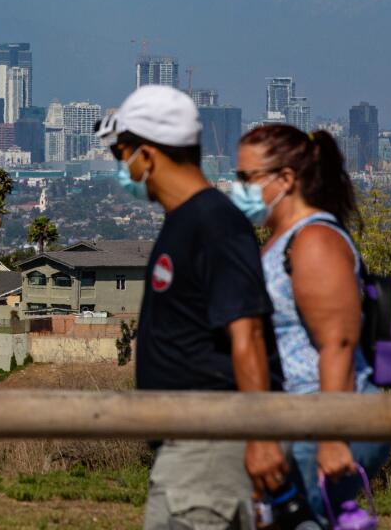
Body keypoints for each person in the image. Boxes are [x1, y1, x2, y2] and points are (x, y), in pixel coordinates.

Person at [97, 86, 288, 530]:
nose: (121, 167)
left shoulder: (214, 223)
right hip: (183, 452)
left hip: (209, 451)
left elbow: (249, 334)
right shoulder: (184, 222)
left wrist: (261, 438)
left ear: (147, 154)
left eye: (120, 153)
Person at [233, 124, 391, 523]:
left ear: (286, 179)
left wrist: (331, 435)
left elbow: (336, 342)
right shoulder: (280, 240)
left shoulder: (314, 241)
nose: (239, 188)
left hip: (320, 418)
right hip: (295, 419)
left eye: (246, 178)